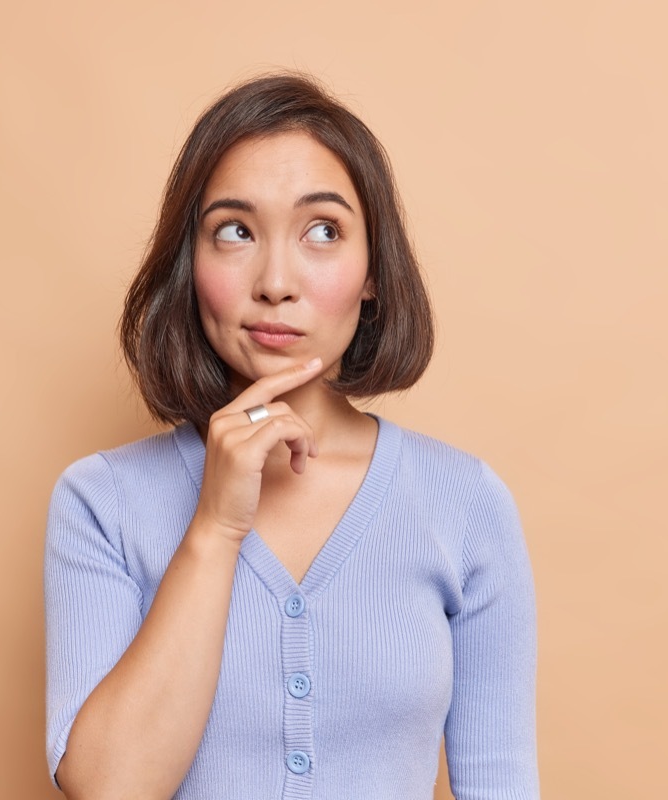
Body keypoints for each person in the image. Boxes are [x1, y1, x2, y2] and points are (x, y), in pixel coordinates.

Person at [44, 72, 539, 800]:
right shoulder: (100, 502)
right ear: (192, 266)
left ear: (373, 272)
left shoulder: (465, 503)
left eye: (323, 231)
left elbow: (501, 785)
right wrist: (213, 528)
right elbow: (108, 789)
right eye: (235, 231)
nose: (276, 281)